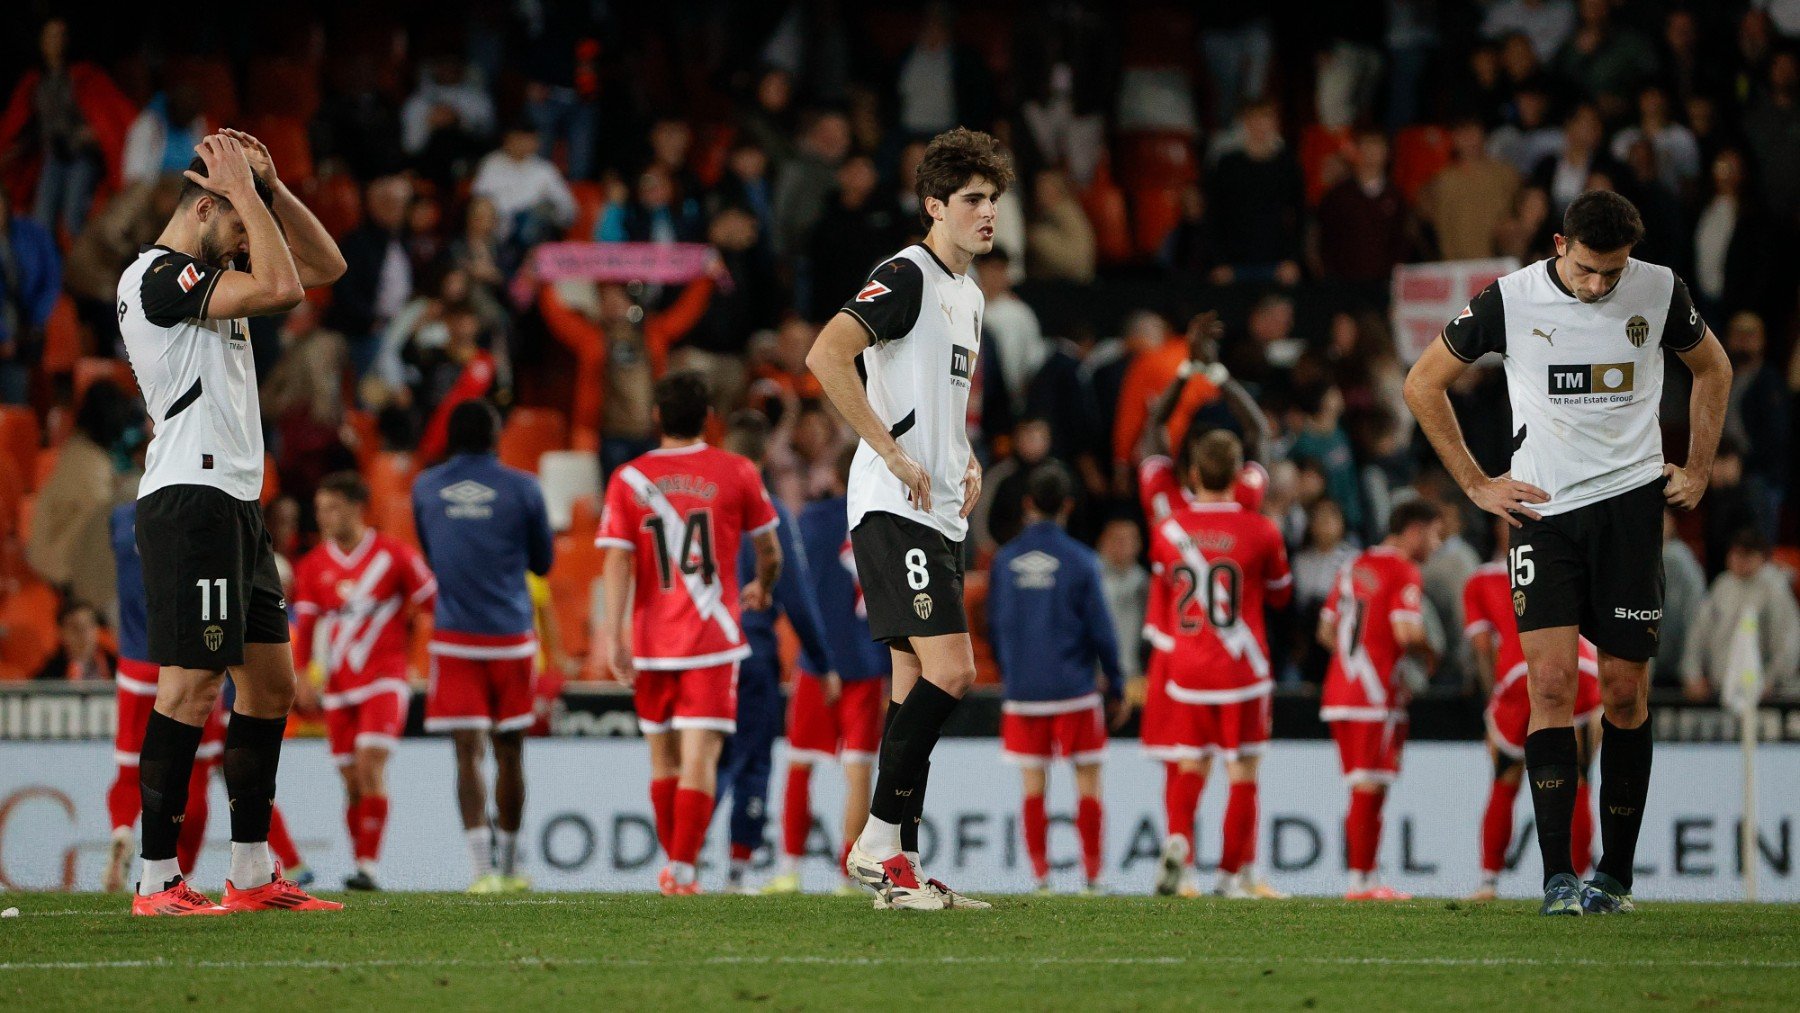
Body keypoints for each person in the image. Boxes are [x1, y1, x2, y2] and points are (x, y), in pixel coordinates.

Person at [1404, 189, 1731, 915]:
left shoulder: (1661, 288)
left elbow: (1714, 369)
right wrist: (1475, 483)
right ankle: (1557, 877)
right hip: (1544, 512)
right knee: (1548, 685)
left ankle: (1614, 876)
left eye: (1612, 273)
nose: (1599, 285)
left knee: (1623, 691)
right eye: (1587, 270)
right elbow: (1422, 382)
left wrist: (1700, 467)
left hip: (1632, 507)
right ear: (1559, 244)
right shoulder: (1508, 299)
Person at [117, 129, 345, 916]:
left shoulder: (209, 270)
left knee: (272, 685)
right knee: (189, 685)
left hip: (235, 504)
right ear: (206, 205)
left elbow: (324, 269)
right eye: (239, 224)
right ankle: (154, 877)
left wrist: (271, 192)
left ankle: (250, 872)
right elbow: (285, 290)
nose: (249, 241)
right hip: (192, 498)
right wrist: (247, 195)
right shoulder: (156, 276)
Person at [805, 127, 1014, 911]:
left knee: (910, 687)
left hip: (941, 507)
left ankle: (903, 871)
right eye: (972, 201)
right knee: (953, 671)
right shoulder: (908, 273)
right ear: (935, 206)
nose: (987, 213)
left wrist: (963, 455)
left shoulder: (971, 293)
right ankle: (875, 837)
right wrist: (889, 454)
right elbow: (826, 354)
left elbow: (940, 398)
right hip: (895, 506)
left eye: (993, 200)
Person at [597, 373, 781, 896]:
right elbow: (771, 552)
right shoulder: (737, 470)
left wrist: (614, 635)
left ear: (656, 416)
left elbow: (616, 560)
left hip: (651, 640)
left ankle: (676, 869)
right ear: (709, 418)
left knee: (664, 761)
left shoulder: (627, 478)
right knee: (701, 758)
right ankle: (682, 869)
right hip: (712, 639)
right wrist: (762, 587)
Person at [413, 399, 554, 893]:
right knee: (510, 752)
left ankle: (481, 872)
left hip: (453, 638)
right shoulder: (524, 488)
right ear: (496, 439)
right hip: (511, 638)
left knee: (465, 754)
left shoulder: (425, 488)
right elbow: (543, 563)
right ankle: (512, 867)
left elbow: (433, 554)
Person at [1148, 431, 1292, 900]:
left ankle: (1179, 848)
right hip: (1241, 671)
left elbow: (1168, 593)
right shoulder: (1262, 529)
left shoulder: (1168, 531)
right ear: (1238, 475)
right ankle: (1232, 878)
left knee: (1189, 764)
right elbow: (1281, 594)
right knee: (1242, 773)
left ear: (1192, 475)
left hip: (1186, 668)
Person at [291, 472, 437, 891]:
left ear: (357, 508)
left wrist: (429, 656)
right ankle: (360, 863)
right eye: (319, 509)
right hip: (338, 685)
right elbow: (308, 622)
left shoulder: (394, 555)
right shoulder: (313, 565)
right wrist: (301, 675)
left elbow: (433, 603)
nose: (324, 517)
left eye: (332, 508)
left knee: (371, 763)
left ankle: (370, 867)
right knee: (352, 779)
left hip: (384, 679)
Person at [714, 411, 837, 894]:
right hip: (752, 655)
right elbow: (799, 600)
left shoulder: (697, 512)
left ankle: (680, 864)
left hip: (698, 654)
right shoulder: (771, 516)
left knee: (702, 761)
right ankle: (736, 874)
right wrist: (823, 662)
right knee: (751, 763)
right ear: (764, 457)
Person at [988, 462, 1124, 894]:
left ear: (1028, 505)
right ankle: (1093, 875)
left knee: (1033, 786)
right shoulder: (1082, 561)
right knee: (1088, 782)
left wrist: (1014, 673)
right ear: (1067, 505)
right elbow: (1102, 631)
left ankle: (1041, 875)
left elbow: (996, 624)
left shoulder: (1005, 562)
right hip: (1074, 690)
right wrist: (1117, 685)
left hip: (1024, 691)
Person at [766, 445, 892, 894]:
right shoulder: (883, 521)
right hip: (869, 661)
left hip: (819, 664)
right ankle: (847, 872)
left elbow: (798, 592)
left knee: (801, 763)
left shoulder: (812, 521)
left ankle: (788, 868)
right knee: (860, 769)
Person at [1464, 520, 1602, 901]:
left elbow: (1481, 647)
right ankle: (1579, 883)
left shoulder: (1479, 581)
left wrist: (1493, 701)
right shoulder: (1573, 562)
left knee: (1504, 781)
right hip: (1582, 671)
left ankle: (1489, 882)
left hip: (1517, 677)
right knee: (1579, 781)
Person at [1319, 498, 1443, 901]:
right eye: (1435, 534)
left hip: (1339, 688)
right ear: (1414, 530)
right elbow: (1405, 632)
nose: (1436, 545)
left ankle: (1364, 880)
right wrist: (1430, 652)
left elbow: (1326, 631)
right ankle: (1361, 882)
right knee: (1370, 788)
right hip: (1374, 695)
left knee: (1363, 785)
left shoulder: (1351, 565)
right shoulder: (1403, 570)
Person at [1681, 528, 1800, 702]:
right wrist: (1692, 675)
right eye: (1735, 554)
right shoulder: (1722, 586)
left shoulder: (1775, 590)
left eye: (1746, 555)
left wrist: (1770, 681)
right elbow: (1698, 634)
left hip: (1766, 696)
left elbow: (1787, 644)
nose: (1739, 561)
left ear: (1762, 557)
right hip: (1719, 691)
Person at [32, 600, 115, 681]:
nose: (83, 633)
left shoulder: (115, 663)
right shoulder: (50, 674)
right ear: (61, 633)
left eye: (89, 625)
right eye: (75, 627)